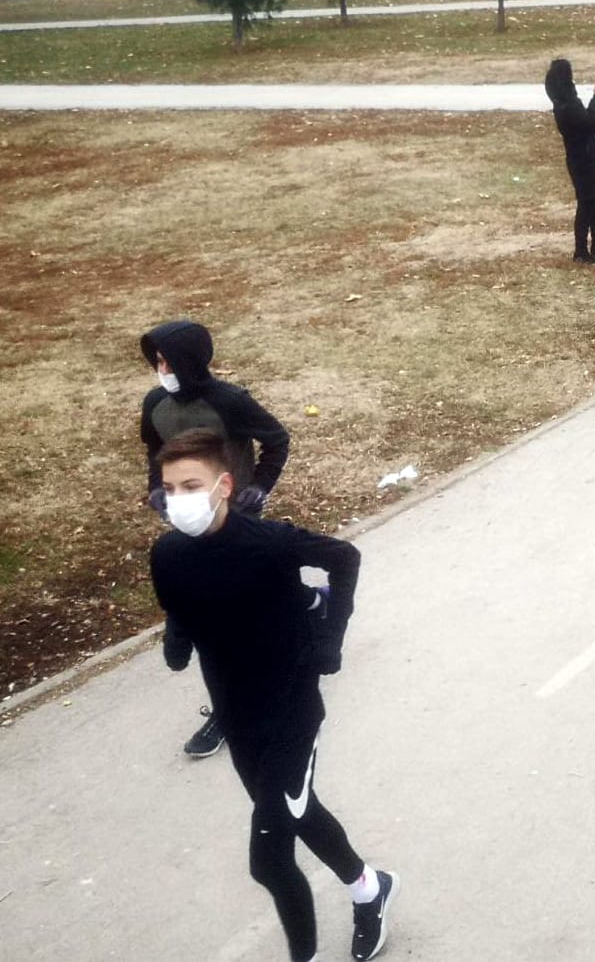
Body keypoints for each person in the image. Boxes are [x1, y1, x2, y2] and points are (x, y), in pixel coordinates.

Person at [149, 428, 398, 962]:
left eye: (190, 486)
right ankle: (370, 888)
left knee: (269, 860)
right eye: (168, 489)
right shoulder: (167, 554)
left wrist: (330, 642)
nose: (178, 500)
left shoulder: (267, 543)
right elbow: (180, 604)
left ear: (223, 486)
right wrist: (177, 643)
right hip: (235, 714)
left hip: (291, 712)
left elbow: (344, 558)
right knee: (297, 812)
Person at [141, 319, 291, 761]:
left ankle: (296, 622)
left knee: (239, 608)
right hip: (188, 518)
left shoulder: (230, 401)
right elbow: (154, 451)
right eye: (157, 362)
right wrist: (158, 487)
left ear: (190, 361)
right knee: (219, 611)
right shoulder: (155, 404)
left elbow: (277, 440)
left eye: (168, 361)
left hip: (235, 516)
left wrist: (259, 486)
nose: (161, 370)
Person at [544, 58, 595, 263]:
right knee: (588, 201)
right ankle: (581, 250)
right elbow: (593, 123)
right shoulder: (568, 105)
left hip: (587, 156)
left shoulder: (565, 101)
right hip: (583, 159)